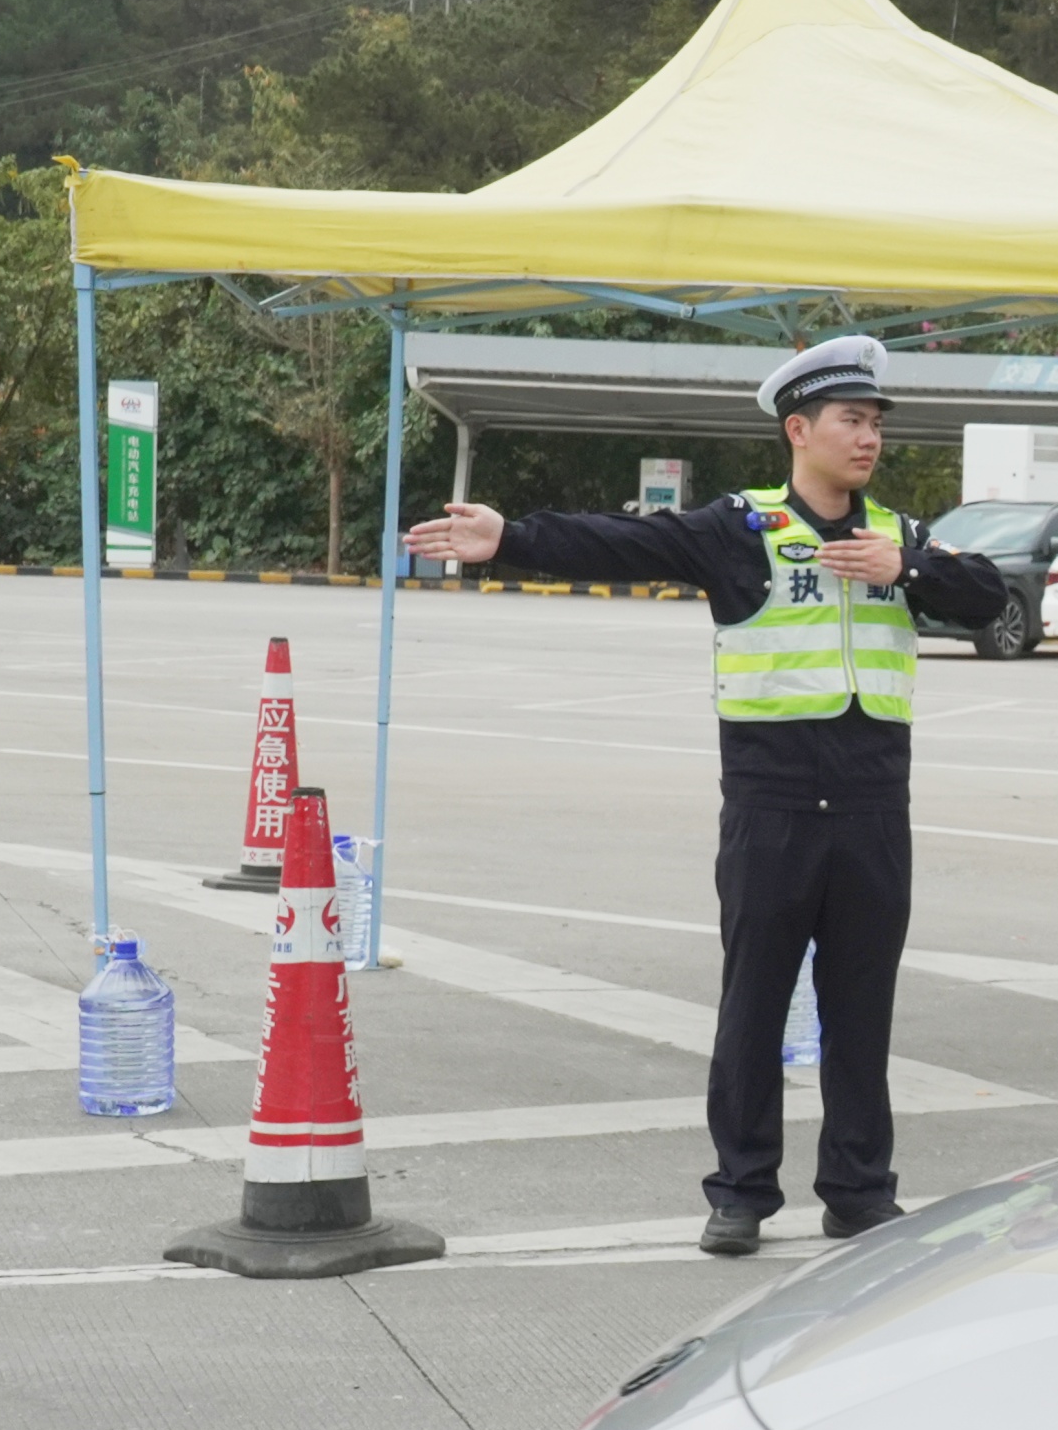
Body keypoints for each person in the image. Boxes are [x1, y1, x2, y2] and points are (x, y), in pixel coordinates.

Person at [402, 335, 1007, 1254]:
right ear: (798, 430)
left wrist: (909, 571)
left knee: (862, 1010)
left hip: (875, 809)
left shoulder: (899, 536)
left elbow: (989, 598)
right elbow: (627, 540)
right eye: (851, 420)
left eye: (876, 423)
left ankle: (858, 1188)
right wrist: (511, 538)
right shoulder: (743, 529)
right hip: (771, 808)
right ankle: (741, 1191)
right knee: (753, 1004)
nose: (869, 438)